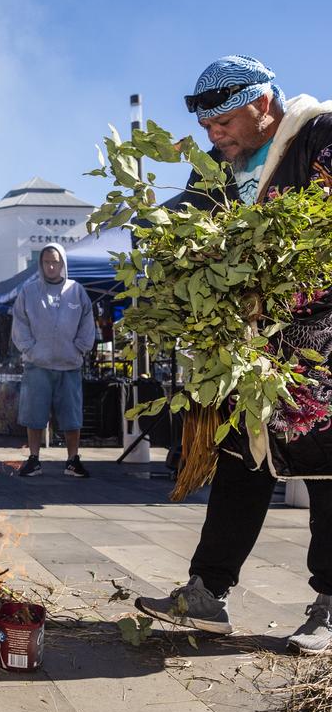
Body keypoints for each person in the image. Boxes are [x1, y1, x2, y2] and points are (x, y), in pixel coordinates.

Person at [135, 55, 332, 654]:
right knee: (241, 460)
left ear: (263, 106)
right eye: (208, 128)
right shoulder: (219, 170)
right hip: (247, 347)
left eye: (224, 124)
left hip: (318, 342)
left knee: (326, 467)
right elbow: (180, 224)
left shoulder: (319, 136)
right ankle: (207, 591)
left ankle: (329, 606)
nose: (215, 137)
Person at [11, 243, 94, 478]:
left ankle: (72, 460)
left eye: (55, 261)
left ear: (63, 263)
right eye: (46, 261)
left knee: (72, 416)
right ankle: (34, 459)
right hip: (37, 366)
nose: (50, 266)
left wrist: (79, 349)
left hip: (70, 366)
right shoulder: (29, 292)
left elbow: (87, 324)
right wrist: (30, 349)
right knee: (34, 415)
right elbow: (19, 323)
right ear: (40, 263)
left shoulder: (76, 291)